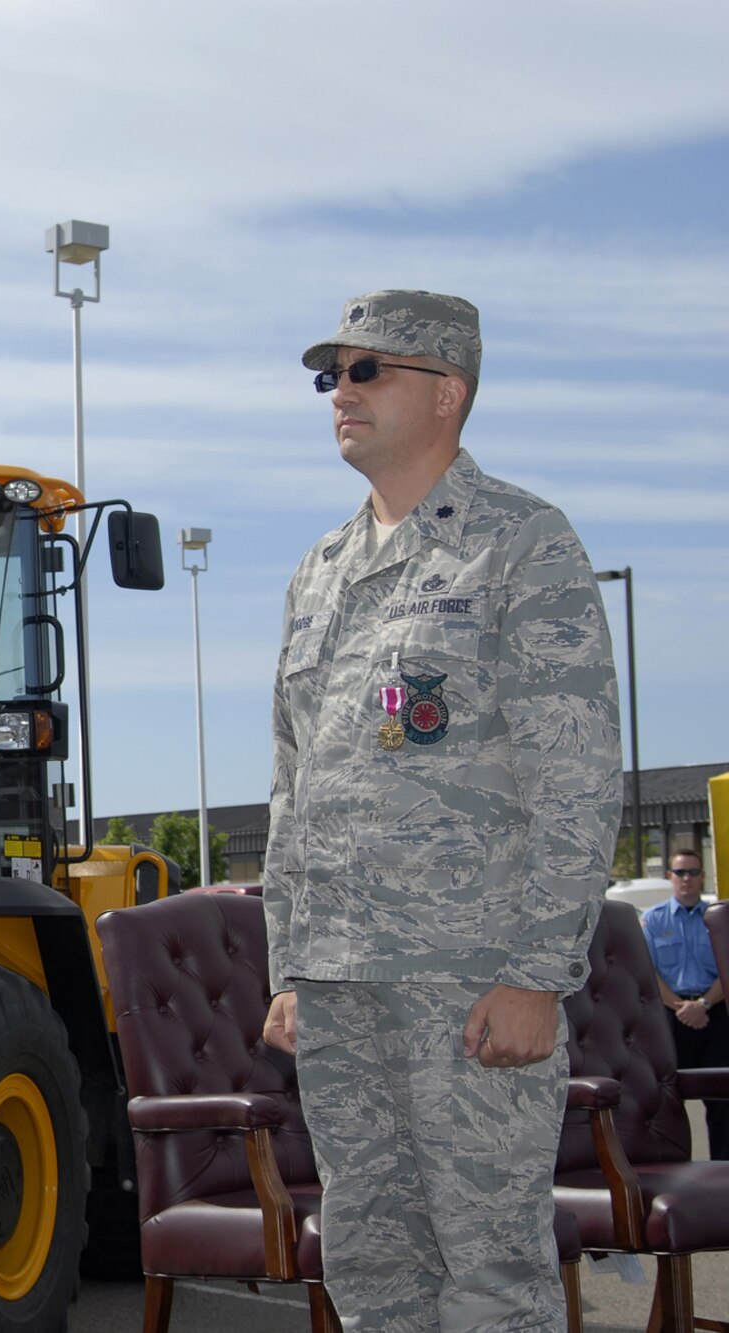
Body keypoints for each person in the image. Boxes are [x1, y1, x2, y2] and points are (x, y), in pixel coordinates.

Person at [260, 290, 621, 1332]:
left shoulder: (519, 545)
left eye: (367, 370)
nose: (340, 392)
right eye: (331, 374)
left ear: (446, 391)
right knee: (370, 1273)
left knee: (488, 1274)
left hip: (465, 980)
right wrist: (288, 967)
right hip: (336, 982)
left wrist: (533, 975)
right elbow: (295, 783)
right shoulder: (317, 573)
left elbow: (573, 775)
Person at [642, 847, 728, 1158]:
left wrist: (703, 1004)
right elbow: (648, 973)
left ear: (702, 875)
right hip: (670, 1017)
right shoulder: (652, 920)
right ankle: (676, 1167)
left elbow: (727, 969)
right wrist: (682, 1007)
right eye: (680, 872)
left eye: (693, 872)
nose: (686, 879)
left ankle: (722, 1170)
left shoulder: (717, 919)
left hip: (714, 1014)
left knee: (721, 1097)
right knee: (669, 1097)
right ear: (669, 877)